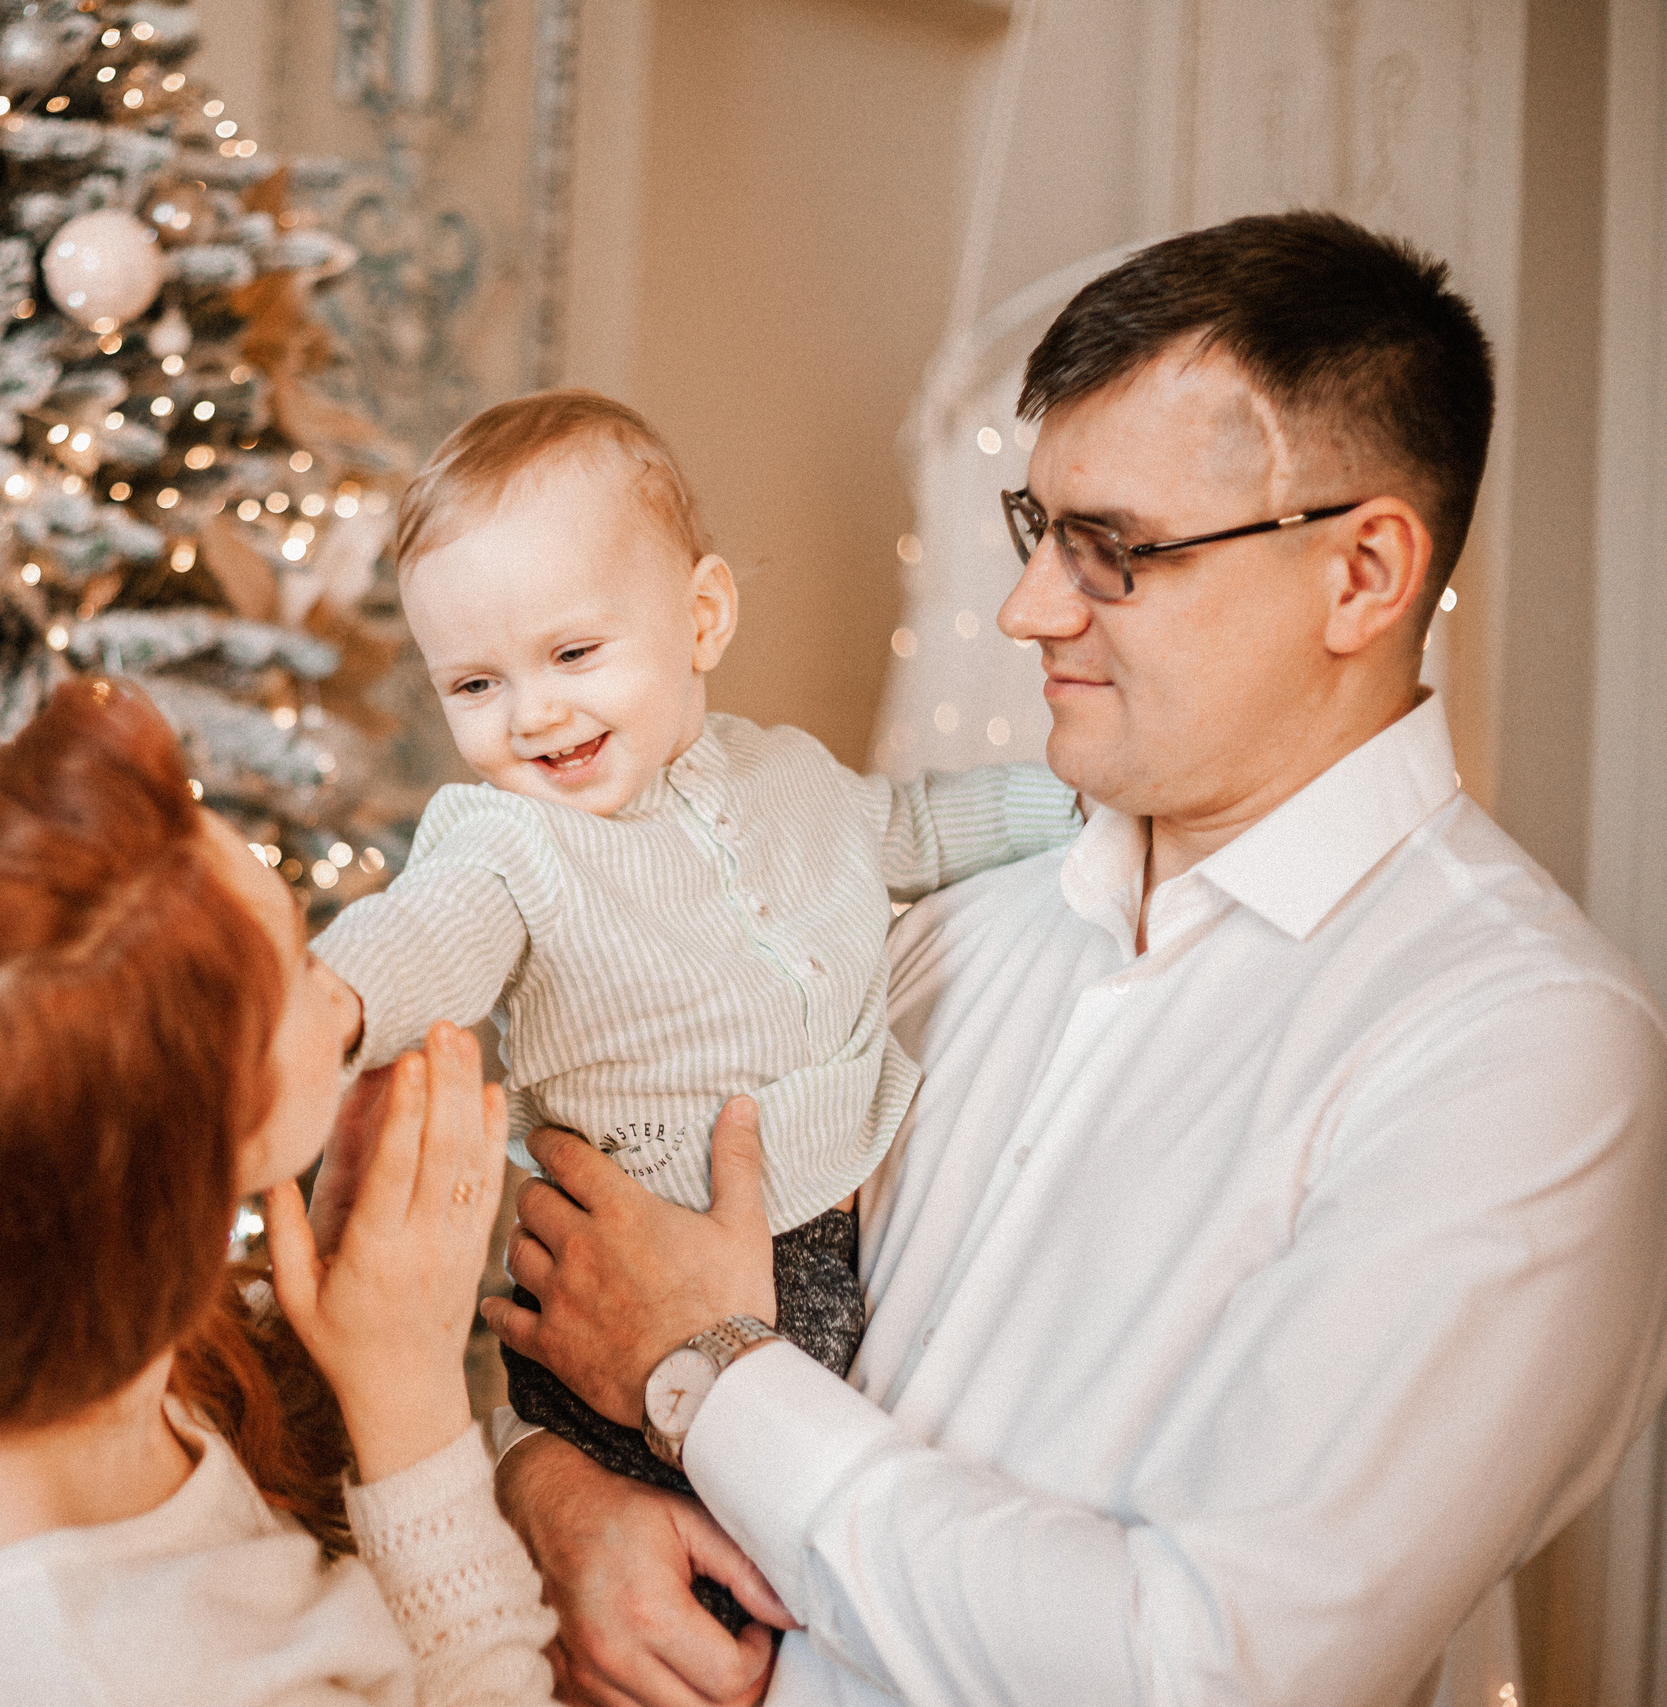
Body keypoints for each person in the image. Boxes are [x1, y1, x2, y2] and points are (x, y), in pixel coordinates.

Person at [481, 210, 1667, 1707]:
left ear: (1364, 575)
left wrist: (701, 1374)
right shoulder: (944, 925)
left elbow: (1204, 1666)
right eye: (1037, 529)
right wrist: (556, 1496)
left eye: (1113, 549)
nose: (1030, 609)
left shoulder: (1522, 1049)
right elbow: (582, 1283)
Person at [0, 677, 562, 1706]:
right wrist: (412, 1403)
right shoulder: (159, 1672)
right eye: (300, 962)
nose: (342, 990)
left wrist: (310, 1358)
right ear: (205, 1154)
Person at [310, 393, 1079, 1567]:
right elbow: (430, 928)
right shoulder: (507, 843)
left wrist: (1079, 802)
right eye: (473, 685)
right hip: (627, 1285)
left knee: (827, 1558)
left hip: (821, 1249)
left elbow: (913, 829)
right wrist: (333, 1000)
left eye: (572, 653)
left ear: (702, 616)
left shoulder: (791, 776)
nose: (534, 713)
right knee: (721, 1586)